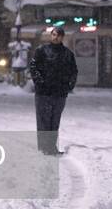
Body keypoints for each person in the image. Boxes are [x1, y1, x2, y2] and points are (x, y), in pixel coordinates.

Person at [29, 26, 78, 155]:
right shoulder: (42, 51)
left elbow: (73, 71)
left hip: (59, 93)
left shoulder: (67, 54)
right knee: (44, 120)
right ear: (51, 36)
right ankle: (45, 148)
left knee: (54, 121)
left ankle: (51, 147)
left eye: (58, 35)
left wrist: (69, 86)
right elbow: (33, 67)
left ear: (62, 37)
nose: (56, 37)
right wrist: (39, 83)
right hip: (43, 92)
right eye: (54, 35)